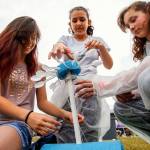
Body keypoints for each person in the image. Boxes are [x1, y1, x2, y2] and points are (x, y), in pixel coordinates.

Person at [0, 16, 84, 150]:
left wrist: (66, 114)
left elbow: (43, 102)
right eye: (26, 37)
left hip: (18, 124)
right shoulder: (2, 61)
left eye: (34, 38)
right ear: (13, 36)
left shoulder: (38, 69)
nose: (31, 42)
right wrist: (28, 115)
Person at [74, 1, 150, 143]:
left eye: (133, 20)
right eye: (128, 26)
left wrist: (102, 86)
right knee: (120, 108)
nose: (132, 27)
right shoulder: (147, 48)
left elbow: (141, 72)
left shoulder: (97, 41)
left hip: (93, 82)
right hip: (78, 86)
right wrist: (130, 93)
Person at [48, 6, 113, 143]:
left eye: (82, 19)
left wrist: (101, 48)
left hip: (89, 87)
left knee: (89, 124)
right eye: (74, 20)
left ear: (89, 22)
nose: (78, 23)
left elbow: (109, 65)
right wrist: (58, 48)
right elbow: (58, 47)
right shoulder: (65, 39)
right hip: (67, 88)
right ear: (70, 24)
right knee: (66, 124)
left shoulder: (97, 40)